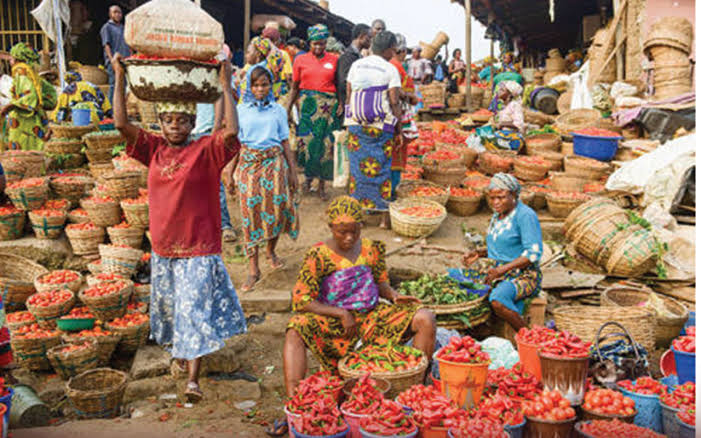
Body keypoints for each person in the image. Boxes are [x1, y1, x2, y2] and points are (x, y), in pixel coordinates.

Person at [110, 52, 247, 402]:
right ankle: (185, 361)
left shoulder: (206, 150)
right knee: (175, 312)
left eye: (182, 121)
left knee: (193, 312)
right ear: (160, 122)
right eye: (168, 120)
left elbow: (231, 130)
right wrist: (119, 77)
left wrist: (225, 82)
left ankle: (193, 380)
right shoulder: (152, 148)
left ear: (191, 124)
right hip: (164, 249)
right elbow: (120, 125)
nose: (175, 126)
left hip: (198, 248)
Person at [273, 196, 436, 436]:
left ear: (361, 227)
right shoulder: (318, 255)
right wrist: (340, 313)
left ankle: (414, 395)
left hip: (371, 317)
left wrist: (393, 295)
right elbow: (302, 299)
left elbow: (381, 283)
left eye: (354, 231)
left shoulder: (371, 249)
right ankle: (296, 405)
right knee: (295, 328)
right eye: (342, 232)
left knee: (425, 318)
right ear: (331, 228)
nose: (349, 238)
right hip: (334, 323)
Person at [234, 65, 299, 292]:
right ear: (249, 87)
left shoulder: (278, 110)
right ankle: (253, 269)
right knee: (249, 215)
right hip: (249, 166)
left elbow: (284, 141)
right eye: (256, 85)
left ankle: (271, 250)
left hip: (274, 164)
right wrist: (228, 170)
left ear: (271, 85)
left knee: (276, 211)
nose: (260, 89)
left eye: (264, 84)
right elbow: (236, 143)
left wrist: (293, 171)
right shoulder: (240, 109)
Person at [462, 174, 542, 332]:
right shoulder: (498, 214)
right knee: (456, 283)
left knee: (498, 300)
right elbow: (502, 245)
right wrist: (480, 253)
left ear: (514, 195)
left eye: (501, 197)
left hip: (523, 275)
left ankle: (528, 336)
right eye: (492, 198)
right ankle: (482, 330)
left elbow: (533, 254)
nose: (495, 202)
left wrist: (502, 270)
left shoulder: (525, 216)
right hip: (495, 271)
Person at [343, 31, 402, 228]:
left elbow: (349, 94)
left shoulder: (356, 64)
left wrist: (348, 120)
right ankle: (384, 218)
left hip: (356, 125)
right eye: (393, 50)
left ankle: (357, 217)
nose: (394, 53)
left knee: (357, 172)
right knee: (382, 169)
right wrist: (399, 129)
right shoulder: (390, 69)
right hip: (380, 127)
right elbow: (394, 101)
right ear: (388, 49)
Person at [286, 24, 340, 200]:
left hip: (328, 110)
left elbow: (339, 86)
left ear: (326, 43)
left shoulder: (334, 60)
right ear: (309, 43)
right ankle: (308, 181)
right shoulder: (300, 60)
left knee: (326, 147)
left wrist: (342, 104)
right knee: (308, 146)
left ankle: (322, 185)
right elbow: (294, 87)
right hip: (308, 109)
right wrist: (287, 108)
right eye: (315, 44)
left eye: (322, 44)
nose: (318, 47)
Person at [1, 43, 56, 151]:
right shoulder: (32, 72)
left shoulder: (20, 71)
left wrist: (10, 106)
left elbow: (29, 95)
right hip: (36, 117)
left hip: (24, 120)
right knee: (36, 151)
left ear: (17, 58)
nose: (9, 61)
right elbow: (51, 94)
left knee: (23, 152)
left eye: (11, 58)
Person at [389, 33, 419, 199]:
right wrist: (411, 97)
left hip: (396, 114)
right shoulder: (395, 66)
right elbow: (398, 93)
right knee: (396, 155)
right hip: (397, 116)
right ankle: (392, 192)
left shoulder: (394, 65)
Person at [239, 36, 288, 104]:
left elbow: (277, 56)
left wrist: (269, 43)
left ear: (258, 54)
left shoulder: (258, 69)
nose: (246, 55)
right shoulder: (267, 66)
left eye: (248, 52)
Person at [336, 23, 372, 115]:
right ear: (361, 37)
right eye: (369, 38)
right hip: (348, 104)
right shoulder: (348, 56)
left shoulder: (358, 56)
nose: (371, 41)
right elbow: (343, 82)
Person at [100, 5, 130, 104]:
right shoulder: (107, 27)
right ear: (110, 14)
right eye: (115, 12)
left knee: (124, 85)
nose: (118, 14)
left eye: (119, 12)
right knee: (114, 85)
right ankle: (111, 110)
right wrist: (112, 60)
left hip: (124, 60)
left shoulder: (123, 27)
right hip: (114, 61)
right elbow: (106, 45)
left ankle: (120, 108)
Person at [489, 80, 525, 151]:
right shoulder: (505, 105)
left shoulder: (515, 105)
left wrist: (502, 124)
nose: (499, 91)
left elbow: (519, 124)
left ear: (509, 94)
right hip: (504, 135)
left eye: (502, 90)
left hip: (513, 139)